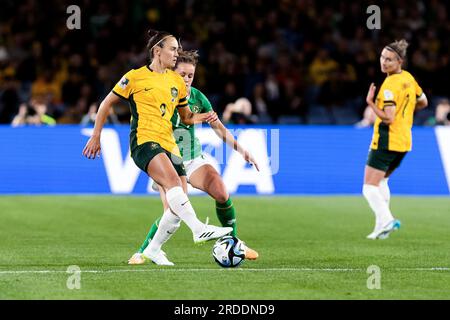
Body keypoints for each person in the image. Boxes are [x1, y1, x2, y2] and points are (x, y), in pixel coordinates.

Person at [82, 29, 233, 265]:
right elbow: (106, 104)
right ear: (157, 51)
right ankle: (198, 229)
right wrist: (96, 135)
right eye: (172, 49)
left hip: (169, 144)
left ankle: (152, 249)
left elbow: (185, 117)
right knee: (173, 185)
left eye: (177, 49)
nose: (176, 53)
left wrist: (203, 117)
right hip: (144, 140)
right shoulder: (134, 77)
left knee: (177, 203)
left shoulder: (176, 82)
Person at [128, 50, 259, 265]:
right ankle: (143, 251)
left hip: (192, 157)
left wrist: (242, 150)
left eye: (191, 75)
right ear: (171, 72)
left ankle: (235, 242)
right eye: (182, 74)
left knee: (221, 191)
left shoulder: (198, 97)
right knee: (173, 211)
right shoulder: (161, 94)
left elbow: (218, 127)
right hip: (167, 159)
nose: (187, 79)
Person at [363, 39, 428, 240]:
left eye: (389, 60)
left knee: (368, 187)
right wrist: (405, 113)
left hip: (387, 140)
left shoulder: (389, 85)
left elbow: (389, 118)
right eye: (382, 57)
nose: (384, 62)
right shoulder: (409, 78)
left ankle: (388, 219)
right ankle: (380, 229)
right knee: (383, 181)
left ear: (399, 61)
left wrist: (371, 104)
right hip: (405, 140)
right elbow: (423, 102)